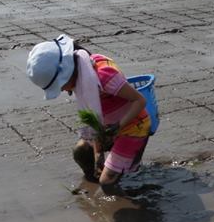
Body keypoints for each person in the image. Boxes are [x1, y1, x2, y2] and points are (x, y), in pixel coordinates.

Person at [26, 35, 150, 191]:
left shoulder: (104, 77)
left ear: (69, 71)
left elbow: (140, 101)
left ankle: (123, 185)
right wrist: (98, 155)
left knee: (107, 183)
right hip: (108, 127)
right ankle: (96, 181)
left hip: (133, 126)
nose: (63, 90)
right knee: (81, 152)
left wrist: (119, 126)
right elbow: (94, 119)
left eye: (61, 85)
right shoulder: (84, 77)